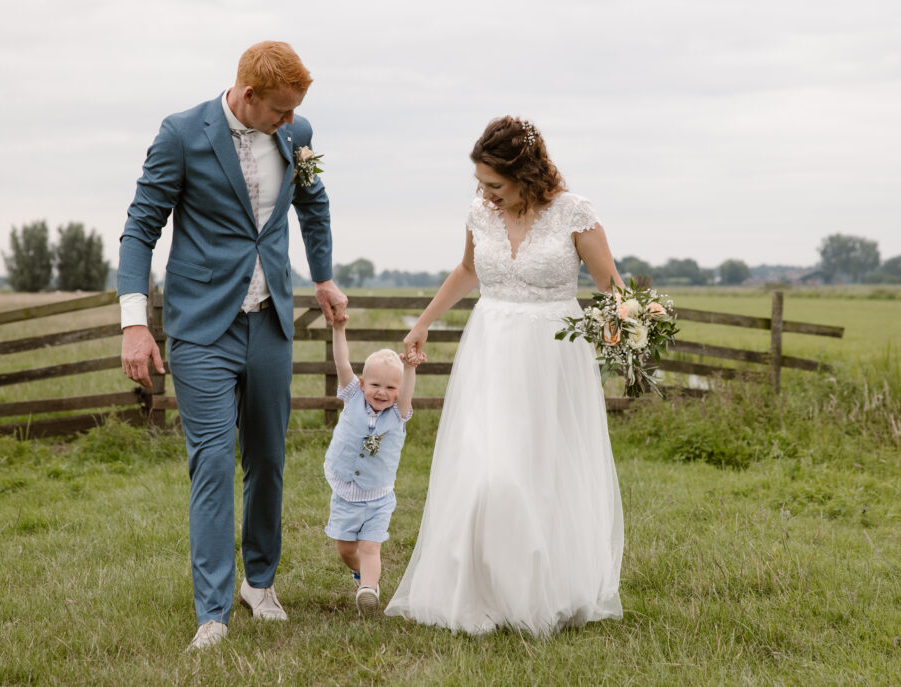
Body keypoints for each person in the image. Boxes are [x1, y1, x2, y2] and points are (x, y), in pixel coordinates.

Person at [116, 41, 348, 651]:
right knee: (214, 461)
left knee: (268, 458)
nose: (290, 120)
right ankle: (212, 612)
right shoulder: (180, 134)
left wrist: (323, 277)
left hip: (270, 322)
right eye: (280, 109)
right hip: (202, 327)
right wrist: (134, 322)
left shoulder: (296, 132)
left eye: (295, 110)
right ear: (248, 94)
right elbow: (140, 227)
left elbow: (313, 206)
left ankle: (259, 583)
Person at [385, 116, 625, 636]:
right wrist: (423, 323)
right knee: (484, 465)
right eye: (480, 183)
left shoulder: (574, 213)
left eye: (494, 184)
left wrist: (629, 327)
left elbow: (613, 290)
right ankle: (481, 590)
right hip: (490, 350)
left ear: (526, 173)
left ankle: (546, 587)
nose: (485, 194)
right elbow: (468, 270)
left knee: (542, 468)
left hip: (553, 356)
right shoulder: (480, 213)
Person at [323, 316, 422, 617]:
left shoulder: (398, 413)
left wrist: (409, 367)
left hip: (377, 496)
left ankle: (368, 589)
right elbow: (342, 363)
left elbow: (405, 390)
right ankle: (361, 575)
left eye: (390, 387)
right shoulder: (353, 395)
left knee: (369, 546)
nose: (382, 392)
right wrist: (338, 329)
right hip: (345, 490)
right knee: (345, 548)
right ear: (363, 384)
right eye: (376, 385)